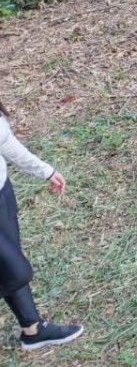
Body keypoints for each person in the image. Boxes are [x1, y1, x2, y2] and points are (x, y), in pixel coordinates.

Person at [0, 100, 83, 351]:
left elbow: (5, 142)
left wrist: (44, 170)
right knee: (17, 271)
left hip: (2, 194)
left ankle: (33, 330)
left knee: (8, 266)